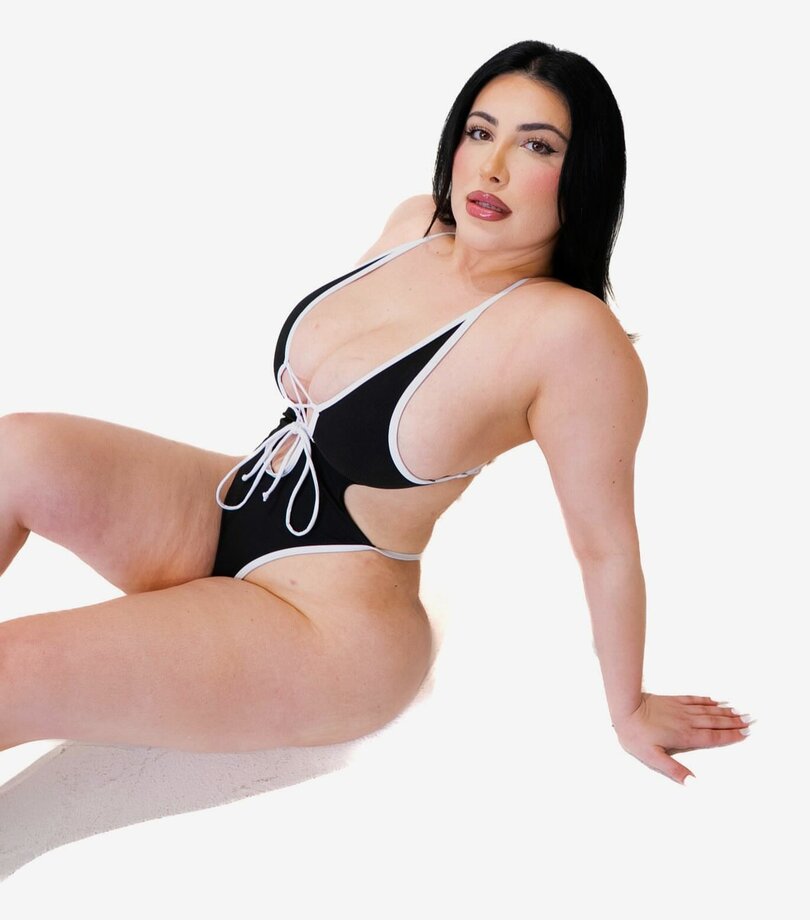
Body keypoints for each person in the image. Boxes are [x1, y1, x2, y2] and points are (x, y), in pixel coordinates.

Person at [0, 39, 752, 784]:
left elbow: (607, 550)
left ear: (583, 174)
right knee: (16, 450)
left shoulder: (572, 338)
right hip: (228, 503)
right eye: (480, 132)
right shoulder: (413, 225)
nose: (491, 167)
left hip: (326, 624)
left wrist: (630, 709)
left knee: (12, 670)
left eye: (536, 146)